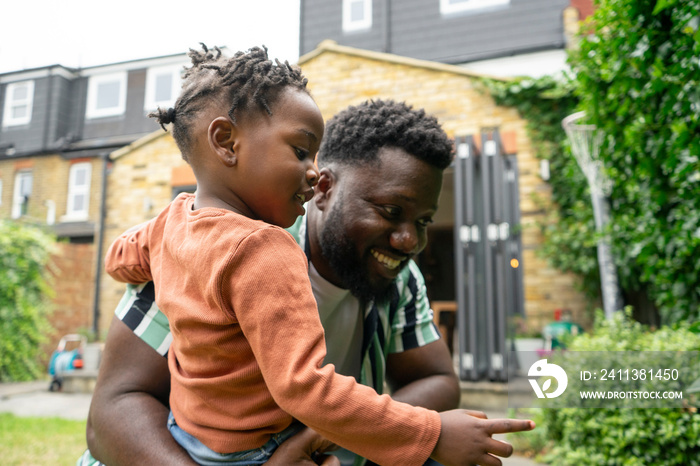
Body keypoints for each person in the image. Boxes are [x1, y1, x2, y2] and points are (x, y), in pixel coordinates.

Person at [83, 48, 534, 464]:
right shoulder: (243, 252)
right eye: (391, 211)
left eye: (422, 221)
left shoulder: (173, 226)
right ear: (324, 190)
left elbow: (441, 380)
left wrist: (319, 437)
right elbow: (112, 411)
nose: (408, 240)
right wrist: (428, 433)